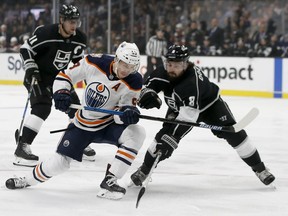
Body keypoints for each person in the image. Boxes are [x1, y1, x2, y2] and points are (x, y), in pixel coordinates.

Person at [5, 41, 146, 200]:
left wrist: (127, 113)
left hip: (108, 125)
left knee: (137, 133)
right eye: (124, 64)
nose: (126, 70)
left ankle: (110, 181)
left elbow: (121, 112)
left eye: (131, 67)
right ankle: (26, 180)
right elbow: (65, 75)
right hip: (83, 124)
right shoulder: (94, 62)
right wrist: (62, 92)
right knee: (60, 163)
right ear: (117, 59)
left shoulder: (134, 80)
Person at [130, 44, 275, 188]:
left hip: (210, 107)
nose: (171, 68)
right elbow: (145, 86)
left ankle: (260, 169)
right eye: (169, 64)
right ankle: (144, 170)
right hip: (180, 106)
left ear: (185, 64)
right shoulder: (161, 73)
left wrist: (172, 138)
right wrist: (146, 93)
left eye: (176, 65)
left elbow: (188, 118)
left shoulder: (191, 83)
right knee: (162, 137)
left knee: (235, 134)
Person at [14, 4, 96, 167]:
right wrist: (31, 67)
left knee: (76, 110)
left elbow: (77, 62)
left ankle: (78, 143)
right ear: (61, 20)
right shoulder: (46, 33)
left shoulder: (80, 38)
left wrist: (88, 79)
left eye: (76, 22)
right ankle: (22, 148)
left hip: (61, 77)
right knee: (42, 108)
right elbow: (25, 49)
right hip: (39, 75)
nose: (74, 26)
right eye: (71, 22)